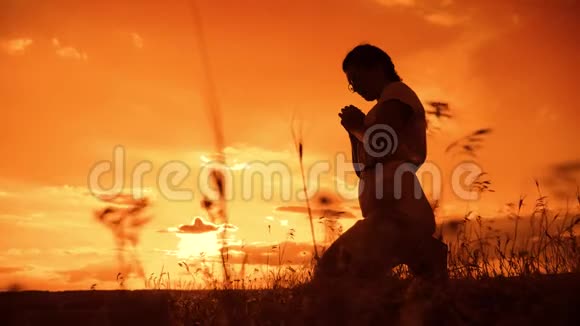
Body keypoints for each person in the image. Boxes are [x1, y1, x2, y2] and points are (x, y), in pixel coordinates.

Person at [312, 44, 448, 283]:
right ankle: (428, 255)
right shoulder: (378, 110)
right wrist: (353, 133)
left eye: (355, 79)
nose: (354, 88)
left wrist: (357, 126)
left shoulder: (398, 93)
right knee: (370, 280)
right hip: (387, 214)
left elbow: (381, 144)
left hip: (396, 214)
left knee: (332, 269)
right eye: (350, 83)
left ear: (376, 68)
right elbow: (362, 169)